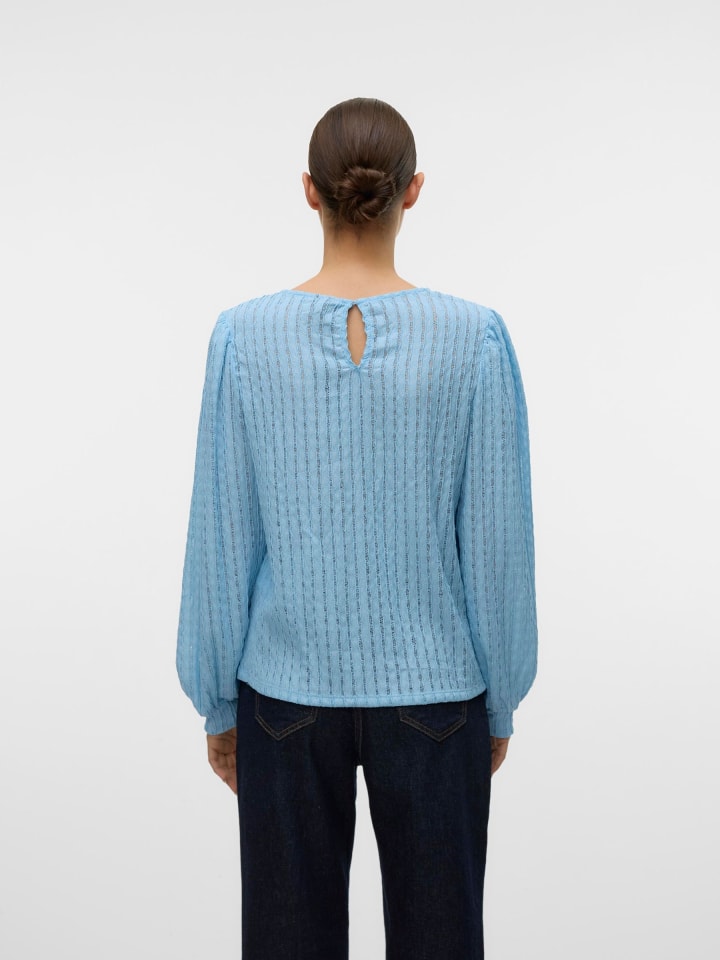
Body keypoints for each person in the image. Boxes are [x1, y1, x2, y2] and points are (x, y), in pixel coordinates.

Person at [176, 96, 538, 960]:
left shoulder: (242, 338)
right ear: (414, 191)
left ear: (309, 191)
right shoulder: (475, 338)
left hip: (282, 701)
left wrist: (216, 700)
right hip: (439, 700)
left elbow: (221, 536)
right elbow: (498, 542)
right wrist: (501, 697)